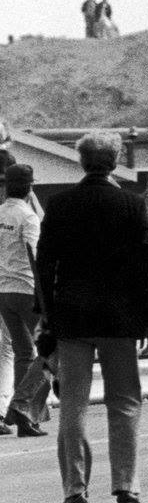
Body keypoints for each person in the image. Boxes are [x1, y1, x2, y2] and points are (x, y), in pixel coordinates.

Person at [36, 132, 148, 503]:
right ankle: (126, 489)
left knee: (73, 404)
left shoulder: (60, 205)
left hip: (72, 318)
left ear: (80, 161)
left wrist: (46, 319)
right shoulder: (130, 205)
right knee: (124, 402)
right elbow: (144, 266)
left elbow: (45, 266)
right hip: (121, 319)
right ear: (116, 160)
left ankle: (75, 489)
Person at [0, 165, 50, 437]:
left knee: (22, 353)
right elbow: (35, 255)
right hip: (27, 290)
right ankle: (24, 410)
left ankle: (24, 418)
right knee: (51, 352)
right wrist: (45, 297)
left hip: (3, 291)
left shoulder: (0, 213)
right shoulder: (28, 217)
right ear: (31, 187)